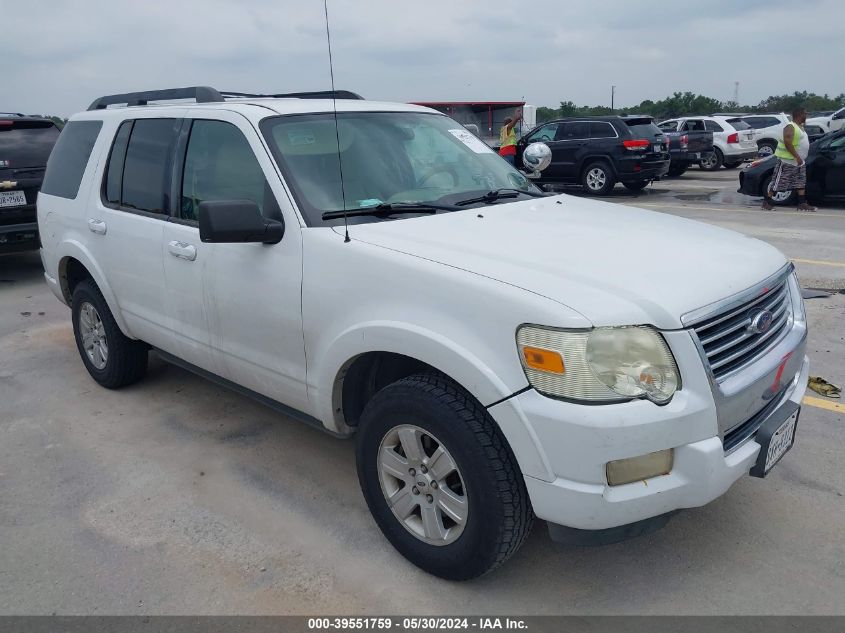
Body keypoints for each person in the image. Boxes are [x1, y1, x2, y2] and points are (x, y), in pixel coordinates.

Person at [762, 107, 816, 212]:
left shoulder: (800, 127)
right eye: (805, 114)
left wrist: (800, 159)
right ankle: (767, 202)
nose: (807, 116)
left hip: (799, 162)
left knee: (800, 182)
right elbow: (788, 143)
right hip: (787, 161)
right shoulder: (790, 127)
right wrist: (797, 157)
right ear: (799, 115)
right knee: (778, 182)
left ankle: (802, 203)